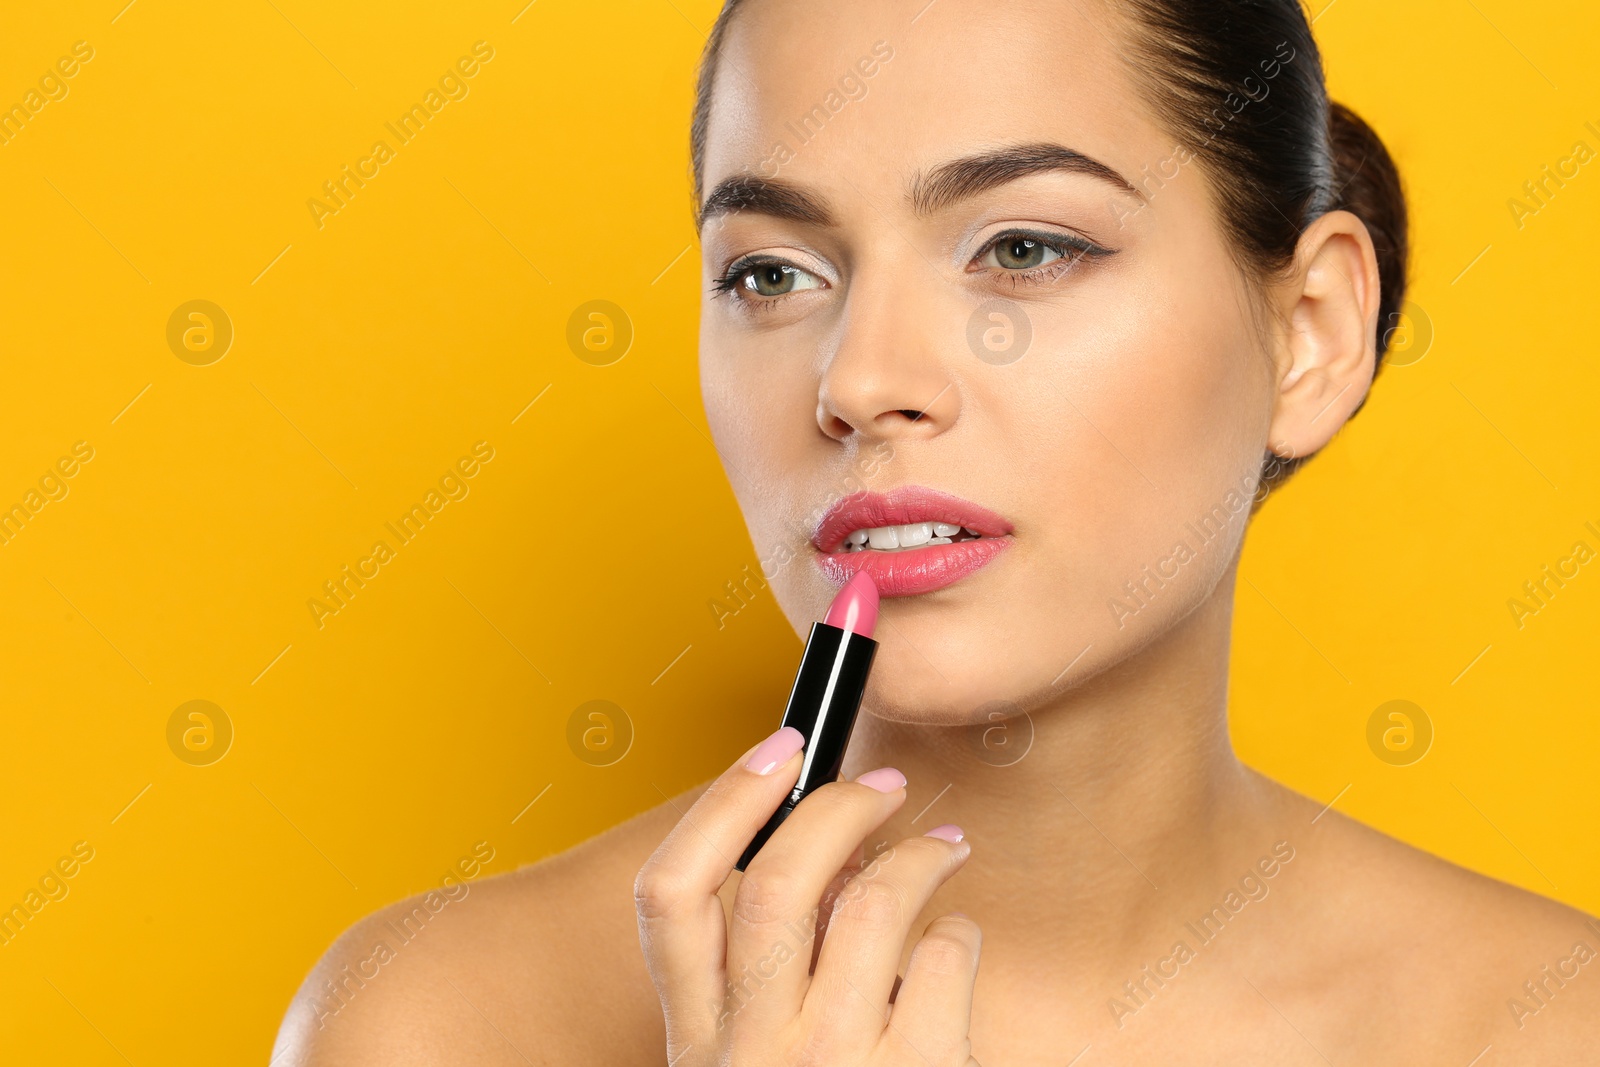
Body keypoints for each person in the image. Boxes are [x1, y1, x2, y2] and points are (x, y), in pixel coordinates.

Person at [274, 1, 1599, 1062]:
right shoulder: (445, 1025)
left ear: (1310, 333)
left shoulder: (1547, 1028)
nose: (858, 382)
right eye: (771, 273)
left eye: (1024, 250)